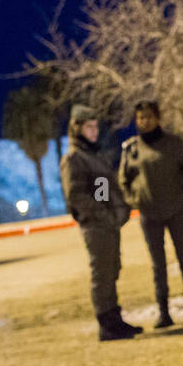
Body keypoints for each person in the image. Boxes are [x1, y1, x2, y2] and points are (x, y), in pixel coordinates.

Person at [59, 103, 142, 342]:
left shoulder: (92, 155)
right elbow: (76, 195)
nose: (94, 131)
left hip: (108, 224)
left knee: (112, 270)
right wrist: (104, 215)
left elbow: (101, 190)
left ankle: (114, 319)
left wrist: (117, 210)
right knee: (102, 274)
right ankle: (106, 324)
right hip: (95, 226)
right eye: (88, 127)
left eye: (95, 126)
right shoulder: (74, 159)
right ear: (77, 128)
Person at [118, 101, 183, 327]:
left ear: (157, 118)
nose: (144, 121)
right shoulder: (131, 149)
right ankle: (164, 313)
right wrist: (134, 200)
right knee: (158, 265)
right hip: (149, 215)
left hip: (176, 210)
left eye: (148, 116)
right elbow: (123, 180)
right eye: (140, 118)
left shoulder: (173, 144)